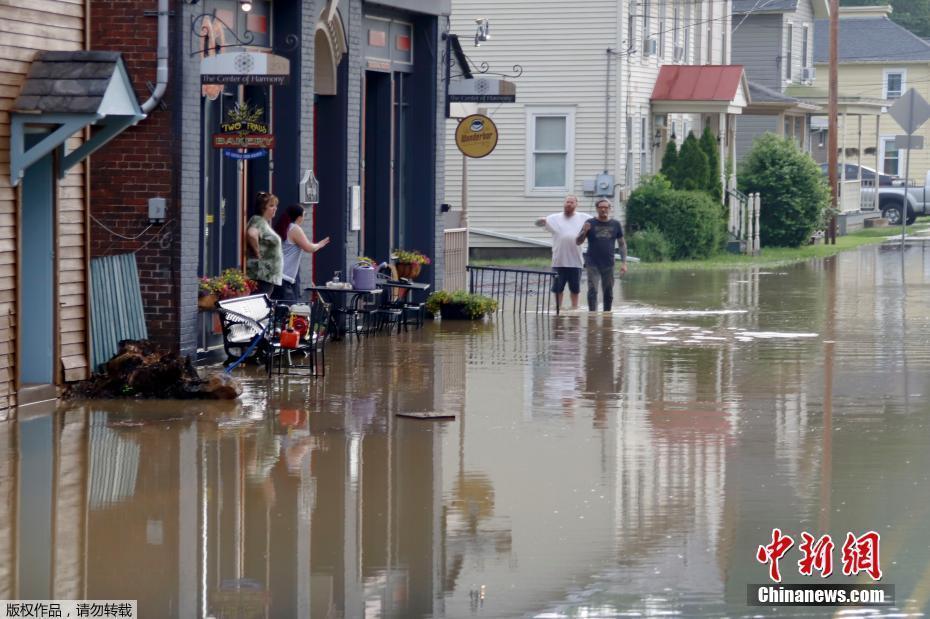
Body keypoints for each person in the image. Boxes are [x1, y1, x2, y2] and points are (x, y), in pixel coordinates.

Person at [535, 195, 591, 311]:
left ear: (576, 204)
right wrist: (541, 220)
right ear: (564, 203)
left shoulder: (584, 217)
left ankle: (575, 310)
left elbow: (597, 224)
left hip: (576, 262)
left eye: (571, 202)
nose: (569, 204)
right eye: (567, 202)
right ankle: (558, 309)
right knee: (557, 289)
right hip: (558, 261)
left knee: (575, 290)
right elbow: (537, 223)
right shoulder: (554, 218)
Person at [575, 198, 627, 312]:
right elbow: (578, 242)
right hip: (592, 262)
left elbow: (622, 244)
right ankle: (592, 316)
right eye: (601, 207)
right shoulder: (589, 223)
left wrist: (624, 263)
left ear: (610, 209)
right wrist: (584, 231)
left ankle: (607, 315)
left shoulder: (616, 224)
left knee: (608, 291)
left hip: (609, 263)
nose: (603, 209)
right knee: (592, 289)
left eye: (606, 207)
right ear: (597, 209)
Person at [272, 204, 331, 301]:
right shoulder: (294, 229)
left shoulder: (282, 227)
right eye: (304, 215)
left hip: (276, 276)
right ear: (299, 217)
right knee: (288, 311)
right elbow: (309, 248)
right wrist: (320, 244)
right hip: (284, 278)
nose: (304, 219)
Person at [246, 191, 283, 296]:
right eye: (271, 206)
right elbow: (252, 234)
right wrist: (257, 252)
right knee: (259, 308)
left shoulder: (263, 222)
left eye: (275, 206)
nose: (275, 208)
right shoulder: (258, 220)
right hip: (262, 276)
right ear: (263, 208)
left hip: (266, 277)